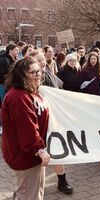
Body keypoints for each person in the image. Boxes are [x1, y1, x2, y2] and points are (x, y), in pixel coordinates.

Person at [1, 56, 50, 200]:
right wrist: (39, 149)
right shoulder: (19, 97)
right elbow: (27, 127)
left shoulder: (30, 92)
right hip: (27, 156)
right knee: (30, 195)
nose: (38, 75)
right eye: (33, 73)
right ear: (22, 75)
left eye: (39, 71)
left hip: (30, 155)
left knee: (25, 192)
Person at [29, 50, 73, 194]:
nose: (42, 62)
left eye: (43, 59)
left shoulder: (50, 77)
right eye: (38, 60)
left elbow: (60, 95)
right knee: (37, 154)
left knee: (57, 150)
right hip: (35, 123)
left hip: (52, 120)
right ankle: (35, 183)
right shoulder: (27, 81)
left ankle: (62, 180)